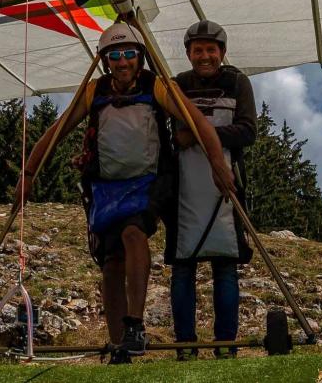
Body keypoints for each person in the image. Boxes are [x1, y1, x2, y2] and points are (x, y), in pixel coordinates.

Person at [22, 20, 235, 363]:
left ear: (140, 57)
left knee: (135, 234)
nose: (122, 62)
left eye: (129, 54)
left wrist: (217, 165)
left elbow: (198, 123)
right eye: (115, 56)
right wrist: (28, 173)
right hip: (106, 186)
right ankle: (119, 344)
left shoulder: (156, 86)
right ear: (106, 60)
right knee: (110, 262)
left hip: (148, 182)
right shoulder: (95, 90)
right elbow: (57, 131)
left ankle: (135, 325)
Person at [165, 19, 258, 359]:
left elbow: (248, 130)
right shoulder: (177, 85)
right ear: (189, 54)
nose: (205, 56)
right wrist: (183, 140)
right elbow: (168, 136)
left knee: (225, 266)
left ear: (222, 52)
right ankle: (185, 346)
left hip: (226, 183)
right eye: (197, 50)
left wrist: (200, 136)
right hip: (184, 188)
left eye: (211, 50)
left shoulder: (237, 81)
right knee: (183, 266)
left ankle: (225, 345)